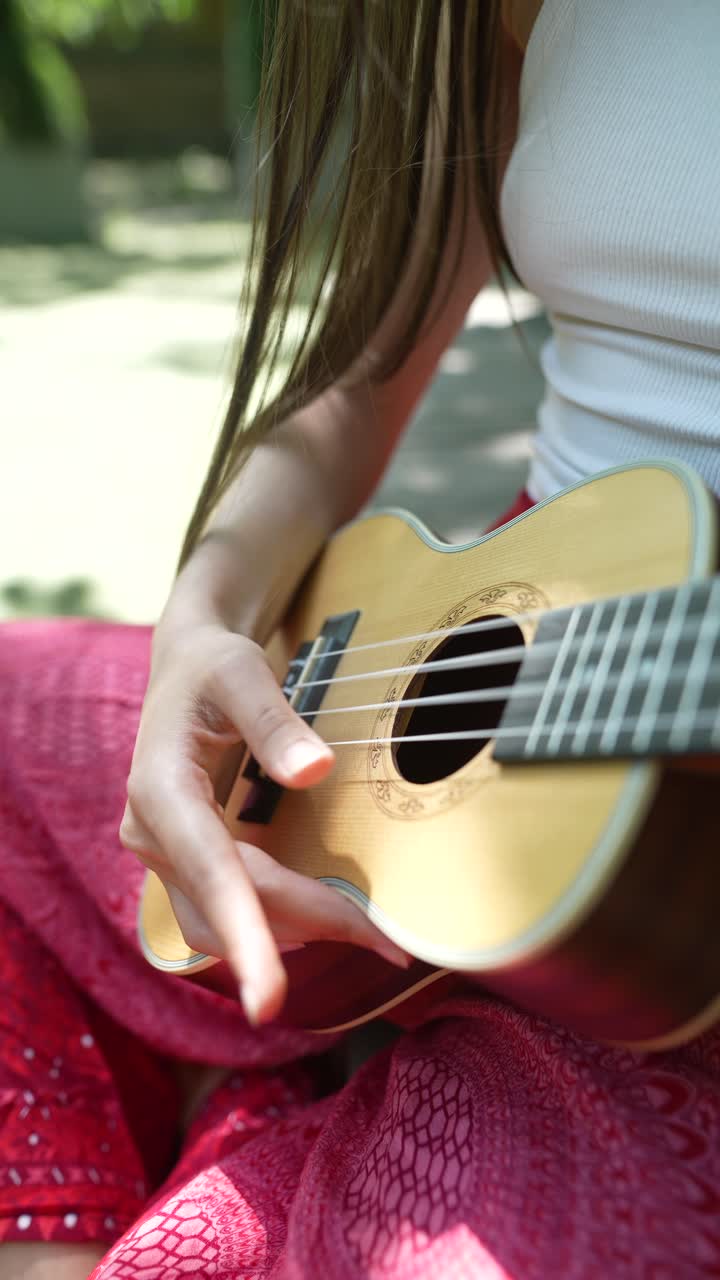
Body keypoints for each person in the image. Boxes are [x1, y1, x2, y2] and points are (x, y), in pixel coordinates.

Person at [2, 1, 719, 1276]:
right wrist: (205, 614)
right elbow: (364, 353)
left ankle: (266, 1106)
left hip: (662, 905)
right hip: (436, 636)